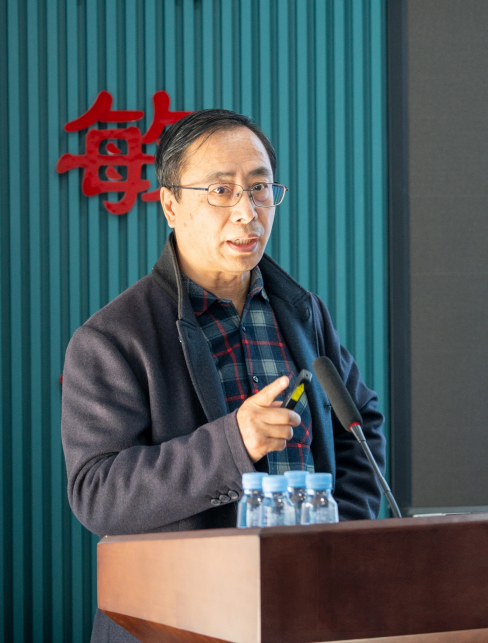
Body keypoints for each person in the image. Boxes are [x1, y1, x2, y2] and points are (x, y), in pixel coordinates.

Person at [60, 109, 385, 642]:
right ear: (170, 204)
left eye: (259, 189)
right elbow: (97, 492)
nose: (246, 212)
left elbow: (360, 423)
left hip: (308, 609)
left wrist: (340, 534)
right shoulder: (113, 338)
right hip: (180, 621)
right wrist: (234, 443)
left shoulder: (302, 312)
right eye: (220, 191)